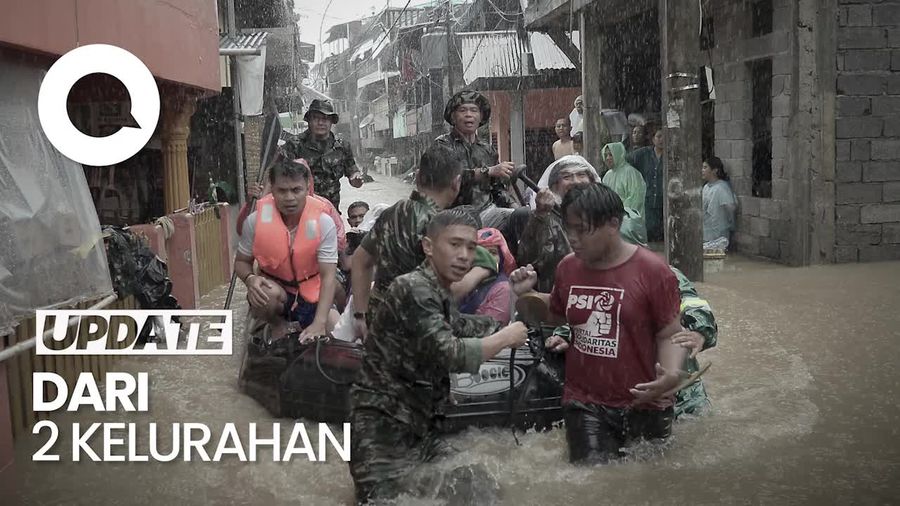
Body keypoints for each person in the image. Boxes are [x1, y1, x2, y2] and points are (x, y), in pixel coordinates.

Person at [349, 209, 529, 503]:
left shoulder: (436, 289)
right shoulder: (414, 288)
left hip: (420, 429)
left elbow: (464, 325)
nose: (464, 256)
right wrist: (504, 338)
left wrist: (514, 297)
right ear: (428, 246)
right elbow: (450, 353)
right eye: (454, 244)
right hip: (382, 434)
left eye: (471, 248)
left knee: (480, 485)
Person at [508, 183, 687, 464]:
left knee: (650, 484)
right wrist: (527, 293)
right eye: (569, 229)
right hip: (586, 401)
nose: (573, 238)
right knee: (590, 478)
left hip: (645, 403)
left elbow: (670, 333)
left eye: (582, 229)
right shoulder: (568, 267)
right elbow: (557, 314)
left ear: (613, 224)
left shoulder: (653, 271)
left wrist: (671, 375)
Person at [351, 144, 462, 340]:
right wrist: (485, 268)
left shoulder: (391, 212)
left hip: (381, 325)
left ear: (418, 177)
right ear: (456, 183)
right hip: (420, 333)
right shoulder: (444, 228)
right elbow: (453, 289)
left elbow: (360, 261)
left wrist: (360, 315)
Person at [618, 215, 717, 418]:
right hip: (632, 383)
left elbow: (693, 304)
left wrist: (699, 331)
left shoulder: (665, 274)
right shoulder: (600, 276)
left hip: (683, 393)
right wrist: (564, 333)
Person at [233, 158, 340, 340]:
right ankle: (275, 324)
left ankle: (314, 322)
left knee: (337, 330)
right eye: (282, 191)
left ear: (307, 188)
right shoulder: (255, 220)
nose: (289, 197)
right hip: (276, 292)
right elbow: (242, 262)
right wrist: (250, 279)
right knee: (264, 292)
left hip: (313, 293)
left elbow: (328, 276)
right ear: (272, 190)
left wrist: (319, 323)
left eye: (296, 190)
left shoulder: (324, 222)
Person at [511, 155, 598, 292]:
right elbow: (528, 259)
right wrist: (540, 216)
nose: (575, 181)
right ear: (555, 185)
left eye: (581, 175)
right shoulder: (545, 217)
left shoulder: (602, 215)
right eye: (567, 177)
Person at [434, 90, 515, 209]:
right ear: (453, 117)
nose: (468, 114)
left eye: (474, 110)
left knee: (523, 214)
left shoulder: (487, 149)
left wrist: (513, 205)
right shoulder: (443, 144)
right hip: (454, 215)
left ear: (481, 117)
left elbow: (498, 189)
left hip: (487, 212)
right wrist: (487, 171)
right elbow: (450, 178)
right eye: (462, 110)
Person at [282, 99, 363, 210]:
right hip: (302, 212)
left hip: (331, 211)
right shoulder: (294, 145)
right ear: (309, 120)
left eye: (325, 119)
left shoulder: (342, 147)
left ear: (331, 122)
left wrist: (356, 178)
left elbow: (352, 172)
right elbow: (280, 178)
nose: (321, 123)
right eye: (316, 118)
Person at [458, 228, 516, 325]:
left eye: (492, 253)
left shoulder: (503, 289)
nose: (486, 257)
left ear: (502, 258)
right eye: (480, 252)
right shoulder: (460, 280)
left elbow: (492, 329)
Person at [601, 142, 647, 241]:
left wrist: (620, 215)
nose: (608, 158)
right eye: (605, 155)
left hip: (627, 222)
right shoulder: (607, 175)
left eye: (611, 154)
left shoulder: (631, 173)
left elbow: (636, 198)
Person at [627, 125, 664, 242]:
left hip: (664, 201)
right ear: (653, 139)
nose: (662, 140)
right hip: (647, 200)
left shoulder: (671, 156)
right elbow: (625, 161)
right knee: (648, 234)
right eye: (659, 136)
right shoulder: (643, 154)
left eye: (665, 137)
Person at [702, 156, 737, 250]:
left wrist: (730, 226)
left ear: (715, 170)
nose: (702, 170)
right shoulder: (706, 187)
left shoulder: (721, 188)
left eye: (705, 167)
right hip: (706, 235)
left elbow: (731, 209)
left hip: (718, 236)